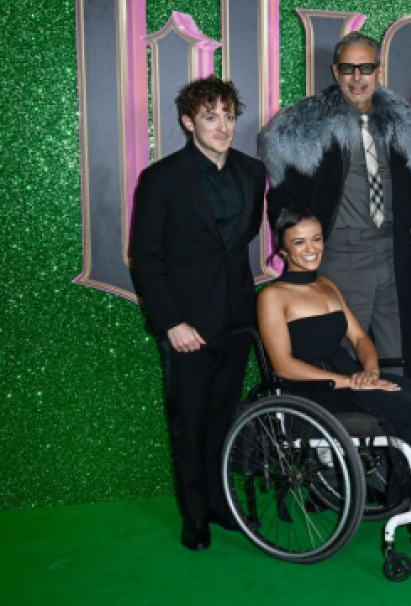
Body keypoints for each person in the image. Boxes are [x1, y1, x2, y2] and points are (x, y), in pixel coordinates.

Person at [257, 204, 411, 572]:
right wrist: (350, 381)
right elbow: (283, 364)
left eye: (316, 239)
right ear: (283, 248)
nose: (311, 248)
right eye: (299, 242)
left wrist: (368, 371)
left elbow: (362, 339)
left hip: (352, 378)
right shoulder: (273, 296)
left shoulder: (327, 285)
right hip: (314, 392)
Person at [129, 76, 266, 551]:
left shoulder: (252, 171)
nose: (222, 126)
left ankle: (218, 502)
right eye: (211, 116)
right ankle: (194, 514)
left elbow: (242, 239)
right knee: (189, 420)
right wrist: (171, 323)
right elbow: (145, 257)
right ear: (189, 122)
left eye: (229, 116)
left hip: (236, 319)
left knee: (224, 416)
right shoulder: (162, 178)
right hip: (186, 324)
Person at [259, 31, 411, 380]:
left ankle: (396, 434)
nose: (357, 78)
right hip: (339, 255)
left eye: (365, 68)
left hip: (396, 257)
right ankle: (341, 434)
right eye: (348, 69)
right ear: (335, 71)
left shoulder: (410, 129)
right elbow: (281, 198)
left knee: (399, 360)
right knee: (340, 358)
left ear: (379, 70)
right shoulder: (302, 129)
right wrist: (299, 250)